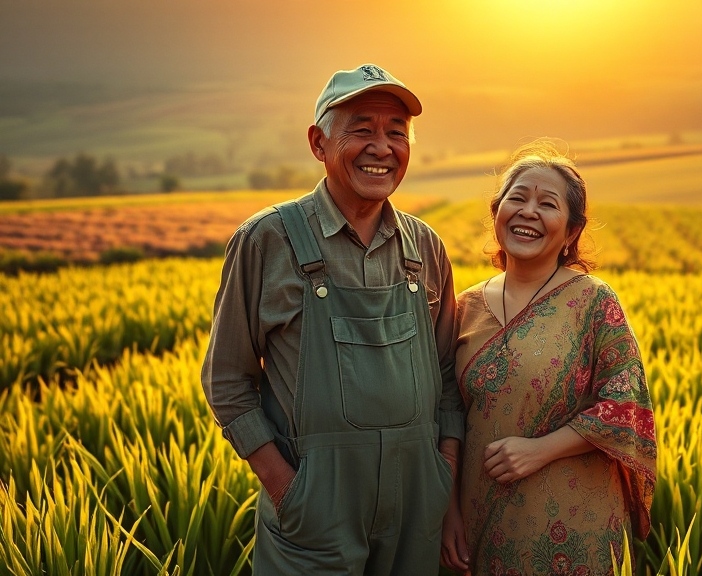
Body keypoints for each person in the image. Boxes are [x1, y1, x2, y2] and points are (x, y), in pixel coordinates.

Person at [201, 64, 463, 574]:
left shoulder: (425, 247)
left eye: (396, 132)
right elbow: (226, 379)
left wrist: (443, 471)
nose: (382, 147)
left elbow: (448, 376)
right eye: (361, 129)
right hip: (312, 514)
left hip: (417, 510)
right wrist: (288, 490)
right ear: (318, 143)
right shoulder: (266, 240)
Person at [440, 141, 657, 575]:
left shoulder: (594, 303)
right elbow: (445, 415)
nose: (528, 212)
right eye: (517, 198)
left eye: (547, 204)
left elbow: (627, 409)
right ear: (497, 213)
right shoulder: (463, 308)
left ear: (572, 231)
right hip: (481, 520)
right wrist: (448, 511)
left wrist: (541, 450)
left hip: (577, 526)